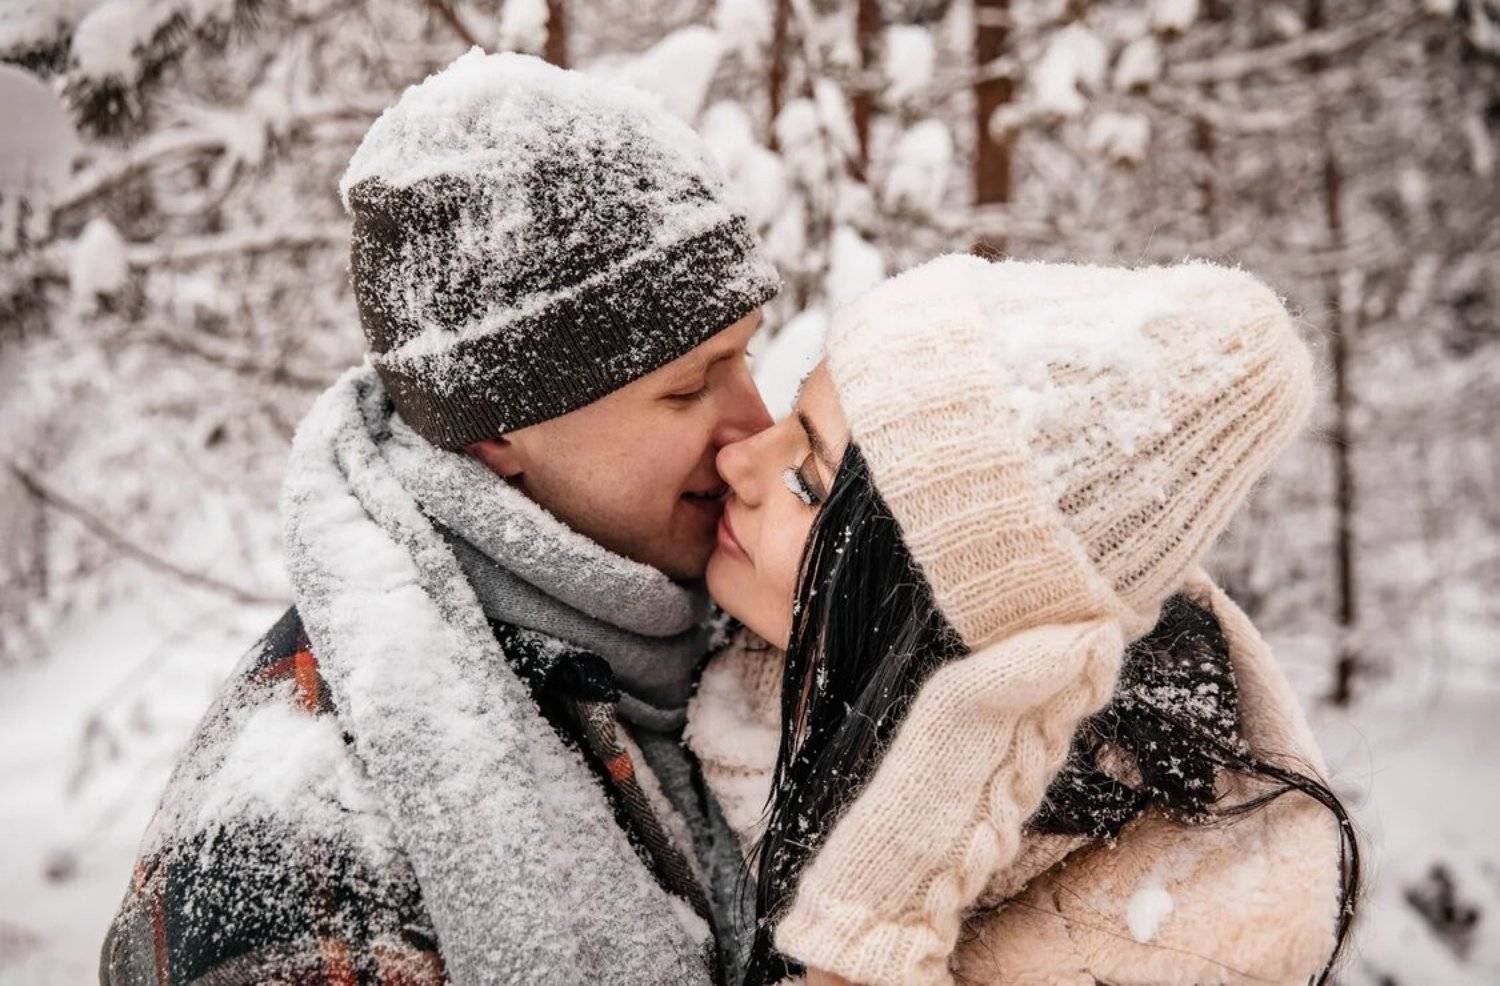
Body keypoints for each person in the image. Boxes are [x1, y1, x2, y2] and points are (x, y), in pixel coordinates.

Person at [100, 50, 780, 985]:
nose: (756, 429)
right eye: (686, 389)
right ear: (496, 428)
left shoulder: (733, 647)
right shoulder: (321, 854)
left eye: (745, 359)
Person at [686, 255, 1360, 986]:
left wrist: (863, 940)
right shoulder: (741, 680)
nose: (738, 460)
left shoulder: (1138, 951)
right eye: (791, 414)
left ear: (939, 621)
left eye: (806, 483)